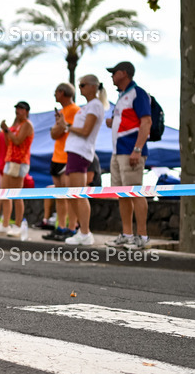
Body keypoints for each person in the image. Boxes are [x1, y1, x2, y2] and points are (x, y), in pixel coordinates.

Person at [106, 61, 152, 249]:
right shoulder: (121, 96)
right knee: (122, 194)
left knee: (135, 192)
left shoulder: (137, 93)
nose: (111, 76)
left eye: (114, 72)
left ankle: (143, 237)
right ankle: (127, 234)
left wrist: (137, 149)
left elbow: (146, 121)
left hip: (131, 151)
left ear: (124, 73)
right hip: (118, 152)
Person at [62, 75, 109, 245]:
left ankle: (85, 232)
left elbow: (86, 131)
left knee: (78, 193)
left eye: (82, 85)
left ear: (92, 87)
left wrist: (67, 127)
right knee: (71, 192)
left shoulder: (95, 105)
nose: (80, 88)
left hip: (80, 152)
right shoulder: (88, 106)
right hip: (75, 151)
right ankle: (81, 231)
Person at [0, 102, 33, 237]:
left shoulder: (27, 125)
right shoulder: (15, 126)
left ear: (26, 111)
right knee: (5, 193)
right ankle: (5, 224)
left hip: (20, 162)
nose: (18, 111)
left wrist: (7, 130)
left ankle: (17, 225)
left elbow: (17, 141)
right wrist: (6, 131)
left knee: (17, 194)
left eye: (21, 109)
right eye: (17, 109)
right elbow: (8, 142)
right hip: (9, 160)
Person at [48, 83, 80, 236]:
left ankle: (72, 228)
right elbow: (55, 133)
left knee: (70, 196)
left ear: (62, 92)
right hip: (57, 157)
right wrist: (60, 126)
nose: (54, 95)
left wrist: (61, 126)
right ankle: (60, 227)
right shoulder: (62, 111)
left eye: (56, 92)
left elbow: (69, 129)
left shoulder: (75, 110)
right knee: (60, 196)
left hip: (68, 157)